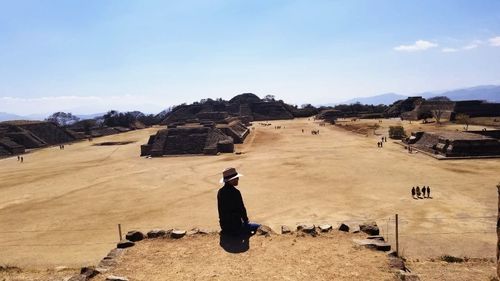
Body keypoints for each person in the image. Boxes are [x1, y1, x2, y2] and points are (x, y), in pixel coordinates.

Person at [217, 168, 260, 236]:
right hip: (236, 227)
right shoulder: (236, 192)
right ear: (230, 180)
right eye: (236, 178)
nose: (238, 180)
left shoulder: (220, 192)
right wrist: (246, 221)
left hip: (224, 226)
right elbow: (241, 209)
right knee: (259, 226)